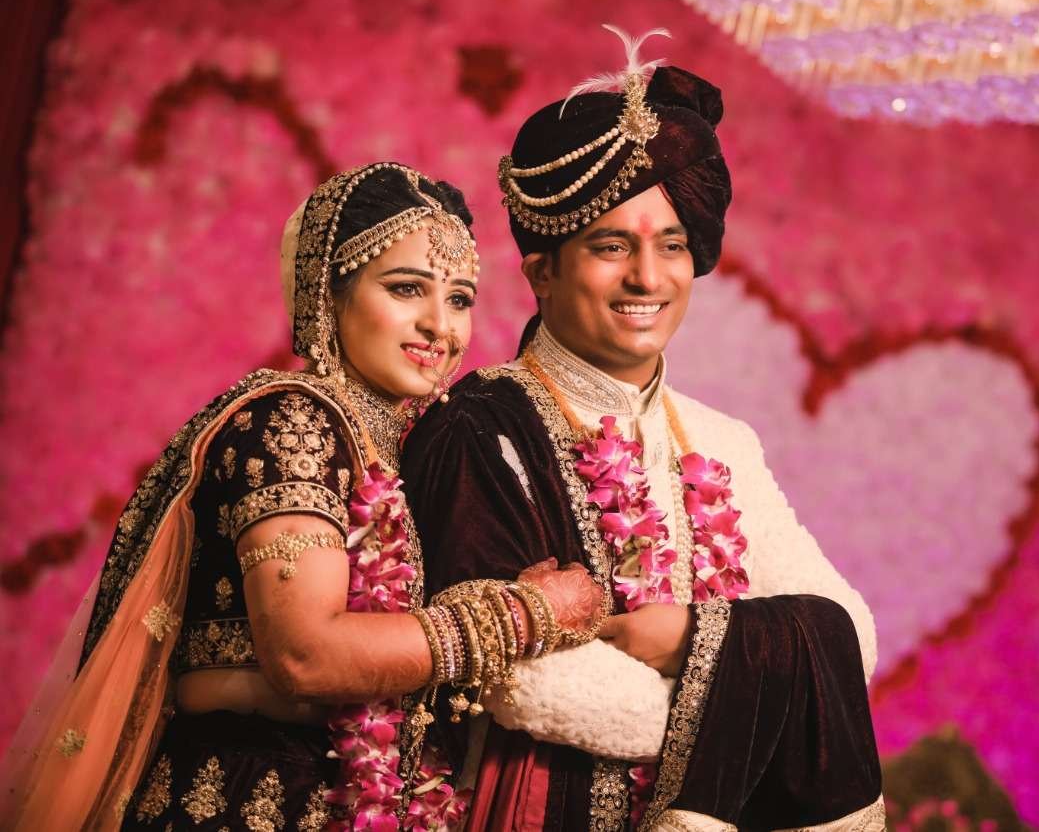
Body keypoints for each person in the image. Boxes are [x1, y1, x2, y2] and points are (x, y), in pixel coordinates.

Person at [0, 163, 603, 830]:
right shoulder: (295, 420)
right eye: (406, 288)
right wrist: (525, 615)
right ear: (328, 293)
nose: (440, 325)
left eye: (460, 298)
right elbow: (305, 653)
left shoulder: (408, 448)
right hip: (247, 797)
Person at [402, 30, 885, 830]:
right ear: (542, 270)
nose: (648, 277)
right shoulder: (479, 432)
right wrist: (756, 712)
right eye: (610, 246)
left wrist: (691, 637)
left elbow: (848, 634)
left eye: (671, 245)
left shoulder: (722, 441)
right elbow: (522, 680)